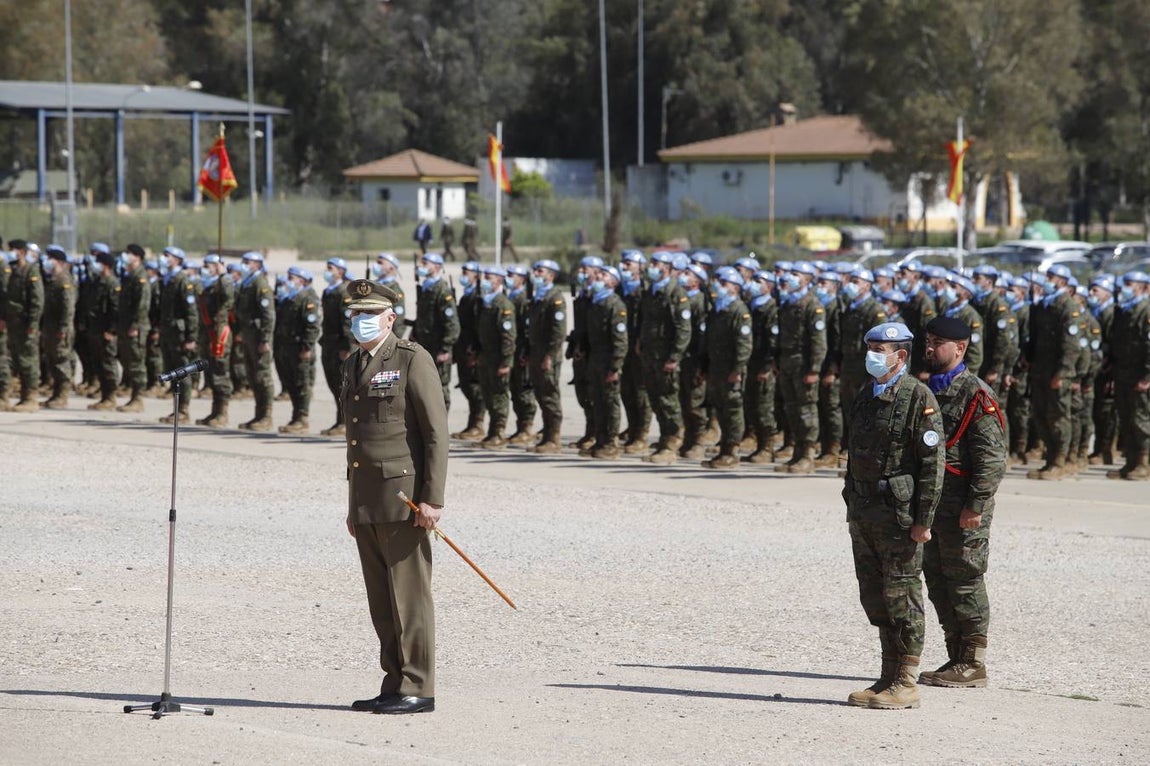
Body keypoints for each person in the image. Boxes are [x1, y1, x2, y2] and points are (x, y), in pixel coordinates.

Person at [342, 278, 448, 716]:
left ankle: (419, 686)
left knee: (409, 598)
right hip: (368, 498)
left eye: (369, 314)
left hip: (404, 498)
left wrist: (433, 499)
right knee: (382, 603)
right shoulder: (354, 362)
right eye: (355, 314)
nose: (361, 321)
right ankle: (394, 682)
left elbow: (435, 434)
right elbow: (357, 439)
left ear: (390, 318)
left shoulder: (411, 358)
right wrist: (353, 505)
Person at [843, 322, 944, 710]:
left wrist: (924, 520)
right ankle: (887, 675)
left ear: (900, 356)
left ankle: (906, 680)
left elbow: (932, 464)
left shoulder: (918, 397)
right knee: (875, 596)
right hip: (864, 512)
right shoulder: (866, 393)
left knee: (903, 596)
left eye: (878, 349)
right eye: (869, 347)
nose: (871, 355)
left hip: (899, 516)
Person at [918, 316, 1006, 689]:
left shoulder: (975, 394)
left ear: (960, 348)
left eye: (937, 343)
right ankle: (955, 656)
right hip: (932, 506)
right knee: (938, 580)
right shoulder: (925, 390)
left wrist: (976, 505)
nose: (929, 348)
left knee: (966, 580)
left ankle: (973, 662)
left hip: (962, 508)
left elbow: (992, 459)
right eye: (928, 341)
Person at [1025, 264, 1084, 480]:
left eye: (1051, 277)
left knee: (1058, 417)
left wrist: (1063, 373)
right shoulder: (1044, 305)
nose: (1047, 280)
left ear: (1062, 281)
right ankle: (1050, 460)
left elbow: (1071, 345)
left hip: (1057, 373)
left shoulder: (1067, 306)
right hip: (1041, 370)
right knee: (1041, 416)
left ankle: (1060, 461)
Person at [639, 251, 692, 465]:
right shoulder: (651, 292)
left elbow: (683, 329)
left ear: (668, 268)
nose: (651, 266)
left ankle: (672, 444)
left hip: (666, 357)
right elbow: (646, 321)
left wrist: (674, 357)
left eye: (656, 263)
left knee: (669, 401)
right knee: (656, 400)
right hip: (651, 355)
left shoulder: (676, 293)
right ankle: (664, 440)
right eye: (651, 262)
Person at [775, 262, 827, 474]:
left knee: (806, 410)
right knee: (792, 409)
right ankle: (797, 453)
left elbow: (818, 341)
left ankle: (808, 456)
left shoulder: (812, 305)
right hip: (788, 362)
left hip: (803, 365)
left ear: (806, 279)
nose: (790, 277)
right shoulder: (789, 303)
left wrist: (814, 369)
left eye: (795, 274)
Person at [700, 267, 752, 469]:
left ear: (735, 288)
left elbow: (744, 344)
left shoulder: (739, 311)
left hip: (731, 370)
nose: (718, 287)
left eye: (723, 284)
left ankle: (732, 452)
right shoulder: (718, 309)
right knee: (720, 408)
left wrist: (737, 369)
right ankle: (724, 449)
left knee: (732, 410)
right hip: (717, 368)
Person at [1107, 271, 1150, 480]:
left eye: (1130, 283)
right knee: (1126, 418)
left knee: (1141, 420)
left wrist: (1147, 376)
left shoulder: (1146, 310)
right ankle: (1131, 462)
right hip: (1123, 373)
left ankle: (1144, 463)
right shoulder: (1124, 310)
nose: (1125, 287)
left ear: (1143, 287)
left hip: (1139, 374)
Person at [584, 264, 628, 458]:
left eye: (603, 275)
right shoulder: (596, 302)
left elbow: (620, 340)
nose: (598, 277)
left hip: (608, 361)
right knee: (598, 401)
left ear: (613, 282)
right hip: (596, 359)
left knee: (610, 402)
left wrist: (615, 367)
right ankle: (600, 440)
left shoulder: (615, 305)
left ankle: (610, 443)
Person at [409, 252, 460, 412]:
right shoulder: (426, 287)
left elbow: (452, 324)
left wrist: (445, 348)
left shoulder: (442, 290)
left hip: (438, 347)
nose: (421, 266)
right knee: (424, 385)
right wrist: (415, 332)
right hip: (425, 345)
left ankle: (441, 422)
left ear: (437, 267)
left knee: (440, 386)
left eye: (425, 263)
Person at [526, 259, 567, 453]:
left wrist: (550, 355)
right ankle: (547, 435)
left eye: (540, 271)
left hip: (548, 356)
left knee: (550, 396)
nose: (536, 274)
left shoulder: (555, 298)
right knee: (541, 395)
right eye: (535, 270)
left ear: (551, 275)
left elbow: (558, 332)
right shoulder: (539, 297)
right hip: (537, 353)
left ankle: (554, 438)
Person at [157, 246, 200, 423]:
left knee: (182, 372)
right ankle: (176, 409)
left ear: (177, 259)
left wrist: (191, 337)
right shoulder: (167, 278)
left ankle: (183, 411)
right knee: (172, 371)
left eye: (167, 255)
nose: (164, 258)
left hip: (179, 334)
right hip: (168, 332)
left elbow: (191, 312)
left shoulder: (183, 280)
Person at [235, 251, 276, 431]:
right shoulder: (247, 282)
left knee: (262, 376)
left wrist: (265, 339)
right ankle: (258, 415)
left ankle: (266, 416)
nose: (244, 264)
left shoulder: (260, 284)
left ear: (258, 265)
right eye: (244, 261)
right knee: (252, 376)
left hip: (259, 336)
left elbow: (268, 315)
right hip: (249, 335)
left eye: (248, 261)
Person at [278, 267, 321, 433]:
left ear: (301, 280)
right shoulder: (291, 297)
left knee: (302, 384)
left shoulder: (308, 298)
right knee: (291, 383)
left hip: (301, 348)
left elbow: (312, 326)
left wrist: (307, 347)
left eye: (291, 278)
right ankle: (295, 417)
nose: (288, 280)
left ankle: (302, 419)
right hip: (289, 347)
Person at [743, 270, 778, 464]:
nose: (755, 284)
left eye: (760, 281)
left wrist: (767, 366)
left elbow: (773, 342)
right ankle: (759, 445)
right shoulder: (751, 306)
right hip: (750, 362)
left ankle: (768, 447)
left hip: (763, 365)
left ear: (769, 286)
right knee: (752, 406)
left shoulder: (772, 309)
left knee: (764, 408)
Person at [195, 254, 234, 426]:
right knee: (211, 374)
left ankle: (222, 413)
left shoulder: (223, 283)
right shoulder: (208, 285)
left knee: (220, 373)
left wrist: (223, 274)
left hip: (220, 333)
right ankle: (215, 411)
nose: (205, 268)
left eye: (209, 265)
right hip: (208, 332)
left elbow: (229, 296)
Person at [319, 257, 355, 435]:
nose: (327, 271)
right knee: (334, 384)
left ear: (340, 271)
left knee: (343, 385)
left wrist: (347, 346)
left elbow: (347, 322)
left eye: (330, 268)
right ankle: (340, 420)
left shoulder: (344, 292)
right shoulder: (328, 291)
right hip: (329, 343)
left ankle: (346, 422)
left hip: (341, 346)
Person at [39, 246, 77, 409]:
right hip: (51, 327)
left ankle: (62, 396)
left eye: (51, 259)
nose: (47, 262)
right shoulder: (53, 280)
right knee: (52, 361)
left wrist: (63, 328)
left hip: (60, 329)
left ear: (59, 262)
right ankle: (56, 394)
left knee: (61, 361)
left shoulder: (64, 280)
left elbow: (68, 308)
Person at [452, 261, 486, 440]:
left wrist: (476, 349)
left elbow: (479, 326)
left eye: (467, 272)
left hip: (472, 348)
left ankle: (478, 424)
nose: (463, 275)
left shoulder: (478, 297)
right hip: (463, 347)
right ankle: (472, 424)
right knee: (467, 386)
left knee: (475, 387)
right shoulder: (467, 296)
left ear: (476, 276)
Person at [115, 245, 151, 413]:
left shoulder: (140, 277)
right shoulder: (130, 276)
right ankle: (133, 396)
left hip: (136, 328)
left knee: (137, 363)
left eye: (129, 253)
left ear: (137, 257)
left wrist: (135, 325)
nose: (126, 256)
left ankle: (138, 399)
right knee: (129, 361)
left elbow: (142, 305)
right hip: (126, 325)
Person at [84, 248, 121, 411]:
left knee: (108, 364)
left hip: (106, 331)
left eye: (98, 263)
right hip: (96, 329)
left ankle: (111, 397)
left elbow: (116, 309)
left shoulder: (112, 283)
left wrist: (112, 330)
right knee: (98, 364)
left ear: (105, 265)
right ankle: (104, 396)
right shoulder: (97, 282)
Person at [504, 264, 537, 444]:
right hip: (513, 350)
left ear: (522, 279)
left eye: (512, 275)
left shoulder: (524, 299)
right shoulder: (510, 297)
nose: (508, 277)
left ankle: (527, 427)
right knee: (515, 390)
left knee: (524, 390)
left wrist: (526, 351)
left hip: (521, 350)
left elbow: (527, 330)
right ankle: (520, 427)